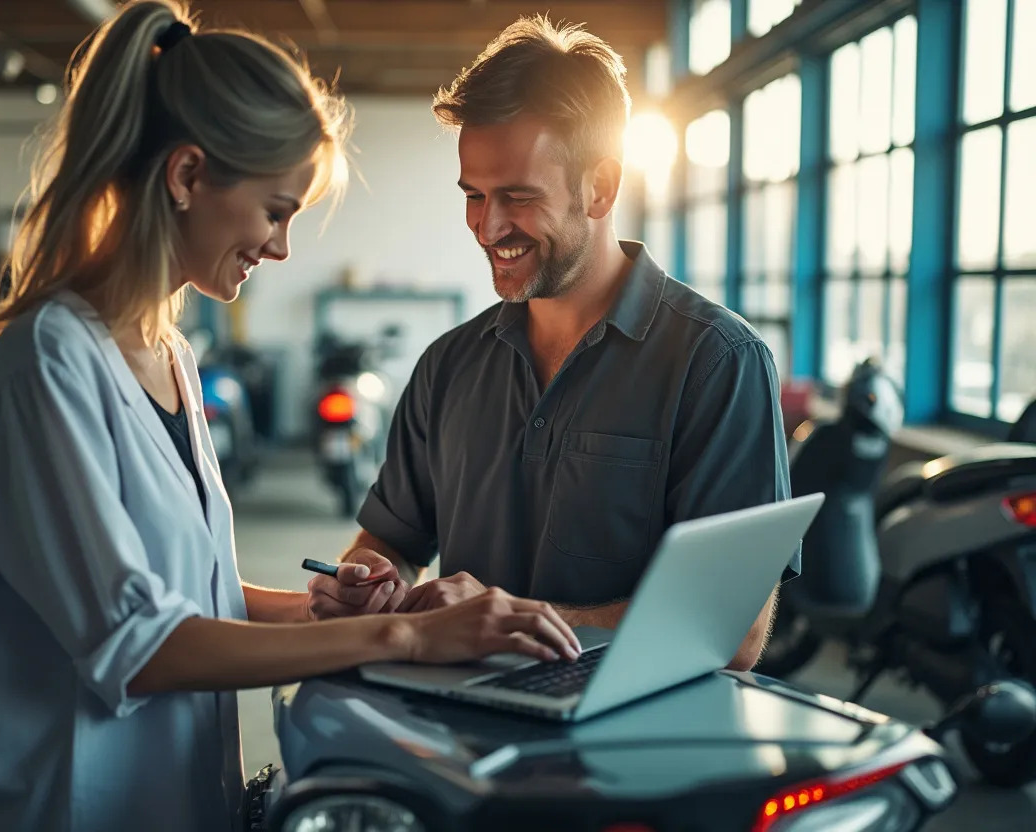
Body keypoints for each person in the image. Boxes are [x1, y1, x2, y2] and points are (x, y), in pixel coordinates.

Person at [0, 3, 579, 831]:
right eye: (275, 210)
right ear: (185, 177)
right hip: (72, 804)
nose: (279, 247)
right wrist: (407, 643)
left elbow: (186, 592)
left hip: (172, 798)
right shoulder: (50, 362)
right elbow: (140, 644)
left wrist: (338, 608)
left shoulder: (167, 353)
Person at [305, 16, 798, 672]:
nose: (488, 226)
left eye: (517, 196)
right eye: (474, 196)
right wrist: (364, 579)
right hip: (461, 734)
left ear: (601, 185)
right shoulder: (448, 365)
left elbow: (731, 635)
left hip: (634, 749)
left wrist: (514, 619)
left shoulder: (718, 363)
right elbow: (388, 542)